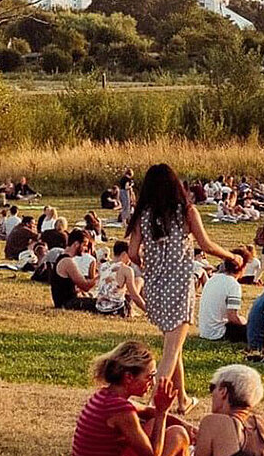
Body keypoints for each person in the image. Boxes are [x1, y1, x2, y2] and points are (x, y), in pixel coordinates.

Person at [126, 164, 241, 405]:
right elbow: (206, 245)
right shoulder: (186, 212)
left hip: (155, 288)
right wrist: (230, 257)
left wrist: (147, 265)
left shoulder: (143, 215)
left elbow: (133, 252)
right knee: (169, 354)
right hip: (179, 287)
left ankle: (183, 400)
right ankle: (152, 407)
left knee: (173, 344)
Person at [69, 341, 190, 456]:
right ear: (128, 377)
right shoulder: (121, 411)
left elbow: (148, 411)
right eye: (149, 376)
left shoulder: (106, 396)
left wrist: (187, 425)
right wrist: (163, 413)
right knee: (178, 436)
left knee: (156, 427)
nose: (153, 382)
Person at [197, 253, 248, 343]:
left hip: (205, 331)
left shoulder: (213, 278)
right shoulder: (233, 284)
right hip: (219, 333)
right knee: (254, 330)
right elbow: (232, 317)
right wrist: (244, 322)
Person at [94, 240, 145, 318]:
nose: (130, 259)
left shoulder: (103, 266)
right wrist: (149, 311)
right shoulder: (126, 269)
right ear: (124, 254)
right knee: (139, 280)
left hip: (100, 307)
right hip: (117, 309)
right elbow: (134, 296)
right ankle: (136, 309)